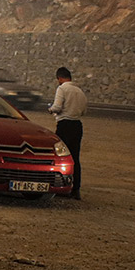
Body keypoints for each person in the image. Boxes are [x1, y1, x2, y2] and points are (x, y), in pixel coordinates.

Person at [48, 66, 87, 200]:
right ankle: (76, 189)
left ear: (59, 78)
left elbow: (57, 107)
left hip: (65, 124)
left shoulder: (62, 89)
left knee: (61, 156)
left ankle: (61, 187)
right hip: (77, 125)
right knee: (75, 158)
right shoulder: (79, 91)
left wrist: (50, 109)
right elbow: (84, 111)